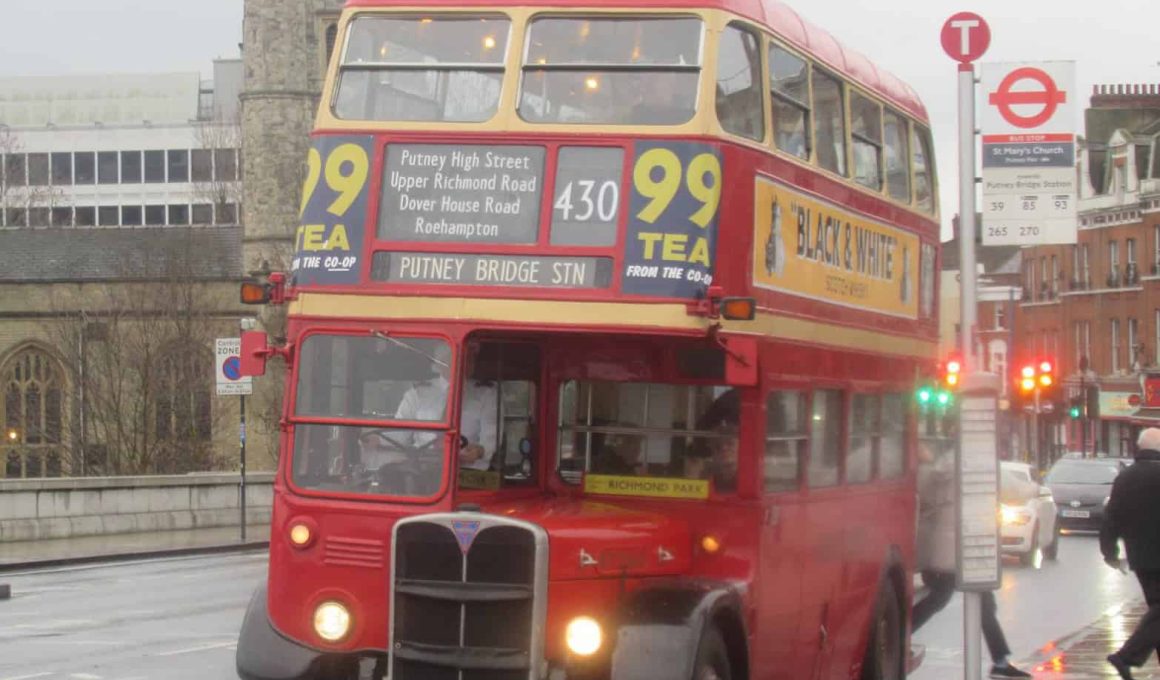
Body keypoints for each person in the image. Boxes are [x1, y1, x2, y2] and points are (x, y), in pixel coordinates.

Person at [912, 440, 1031, 679]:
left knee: (940, 598)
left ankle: (895, 635)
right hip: (970, 546)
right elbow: (1013, 489)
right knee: (983, 604)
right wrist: (1036, 488)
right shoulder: (980, 463)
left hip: (942, 548)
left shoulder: (940, 467)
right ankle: (999, 663)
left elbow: (923, 494)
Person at [1102, 427, 1160, 679]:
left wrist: (1110, 552)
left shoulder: (1124, 478)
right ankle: (1126, 656)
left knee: (1156, 614)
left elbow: (1110, 518)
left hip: (1140, 558)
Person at [393, 343, 499, 471]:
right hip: (420, 468)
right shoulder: (417, 393)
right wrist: (375, 440)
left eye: (470, 359)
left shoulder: (486, 394)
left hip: (468, 470)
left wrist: (479, 450)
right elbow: (398, 435)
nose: (465, 363)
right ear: (439, 364)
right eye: (455, 358)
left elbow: (491, 437)